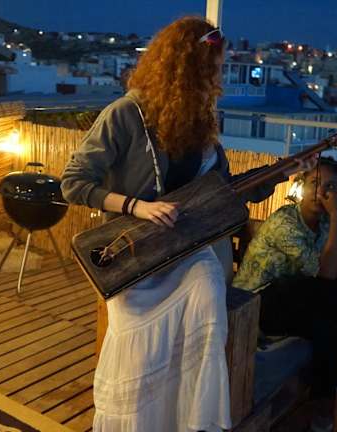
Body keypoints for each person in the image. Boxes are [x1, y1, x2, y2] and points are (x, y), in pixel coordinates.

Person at [60, 16, 303, 432]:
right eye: (212, 68)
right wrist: (137, 206)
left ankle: (184, 422)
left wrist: (284, 173)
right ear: (186, 68)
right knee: (141, 355)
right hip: (137, 256)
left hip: (188, 254)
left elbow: (226, 192)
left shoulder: (201, 123)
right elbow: (73, 183)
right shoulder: (125, 114)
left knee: (209, 297)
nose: (217, 78)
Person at [232, 157, 337, 429]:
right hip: (254, 306)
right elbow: (326, 276)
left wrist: (333, 222)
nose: (322, 192)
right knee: (322, 291)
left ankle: (323, 402)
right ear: (301, 186)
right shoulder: (285, 221)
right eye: (315, 183)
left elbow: (326, 277)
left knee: (325, 325)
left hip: (294, 302)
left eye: (330, 186)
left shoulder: (324, 225)